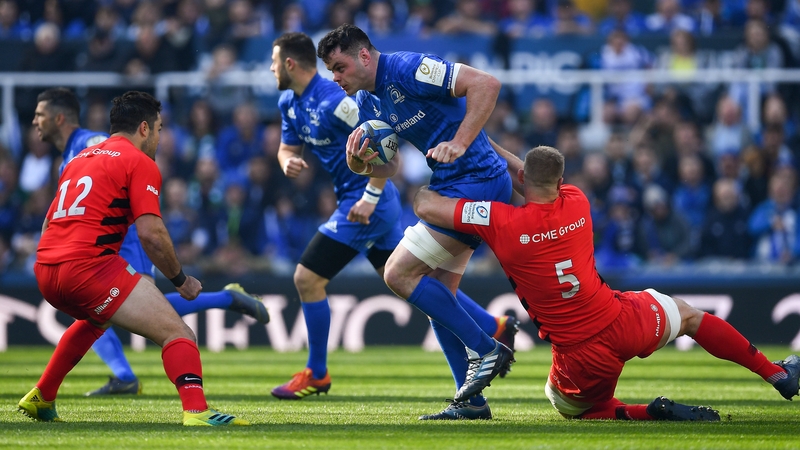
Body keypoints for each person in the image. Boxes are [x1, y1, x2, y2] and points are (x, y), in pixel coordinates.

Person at [413, 144, 800, 421]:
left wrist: (424, 174)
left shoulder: (501, 222)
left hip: (579, 355)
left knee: (567, 405)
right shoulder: (578, 201)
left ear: (520, 179)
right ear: (561, 180)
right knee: (691, 317)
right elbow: (532, 177)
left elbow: (426, 206)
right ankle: (776, 373)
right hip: (620, 318)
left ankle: (645, 413)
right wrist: (491, 147)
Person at [269, 32, 519, 410]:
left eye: (340, 67)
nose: (335, 77)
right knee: (437, 295)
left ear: (365, 56)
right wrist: (359, 161)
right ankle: (470, 402)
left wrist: (461, 142)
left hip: (476, 181)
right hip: (455, 185)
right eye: (330, 70)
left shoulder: (408, 68)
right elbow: (391, 164)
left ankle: (486, 348)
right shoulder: (367, 101)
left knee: (398, 274)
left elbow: (486, 83)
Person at [18, 91, 249, 426]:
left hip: (46, 269)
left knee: (97, 320)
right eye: (158, 129)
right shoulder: (139, 162)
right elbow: (151, 234)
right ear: (144, 128)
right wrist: (181, 280)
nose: (158, 137)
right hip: (87, 267)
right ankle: (197, 412)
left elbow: (48, 221)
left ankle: (42, 395)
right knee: (178, 333)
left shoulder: (79, 159)